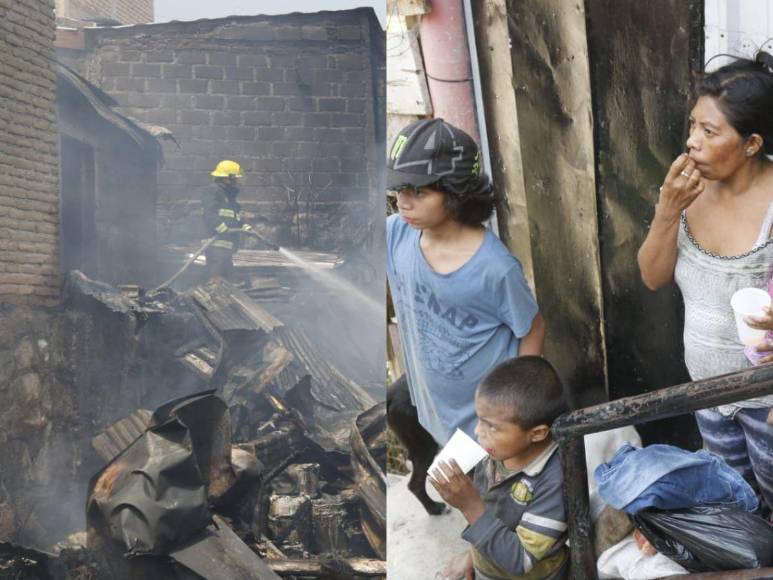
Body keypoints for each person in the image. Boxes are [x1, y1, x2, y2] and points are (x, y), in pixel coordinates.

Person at [637, 51, 773, 515]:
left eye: (710, 132)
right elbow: (653, 277)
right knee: (736, 504)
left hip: (768, 403)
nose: (692, 142)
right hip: (707, 394)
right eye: (693, 125)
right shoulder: (686, 189)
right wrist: (667, 210)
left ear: (752, 144)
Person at [386, 118, 545, 447]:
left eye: (418, 191)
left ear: (456, 192)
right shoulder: (396, 235)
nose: (403, 201)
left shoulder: (494, 269)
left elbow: (532, 329)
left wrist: (513, 412)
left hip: (483, 427)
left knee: (480, 496)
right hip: (432, 407)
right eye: (399, 189)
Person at [430, 356, 569, 580]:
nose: (478, 431)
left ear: (537, 433)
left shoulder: (554, 482)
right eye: (480, 419)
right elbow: (494, 516)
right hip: (490, 566)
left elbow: (521, 561)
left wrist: (470, 506)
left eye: (492, 427)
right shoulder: (499, 453)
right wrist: (473, 555)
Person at [201, 160, 254, 280]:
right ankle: (209, 295)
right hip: (215, 241)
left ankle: (222, 296)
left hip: (226, 243)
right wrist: (220, 227)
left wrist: (243, 226)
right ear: (227, 178)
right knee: (215, 273)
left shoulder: (229, 195)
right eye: (236, 178)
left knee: (227, 275)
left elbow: (233, 217)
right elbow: (208, 213)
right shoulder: (213, 190)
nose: (238, 181)